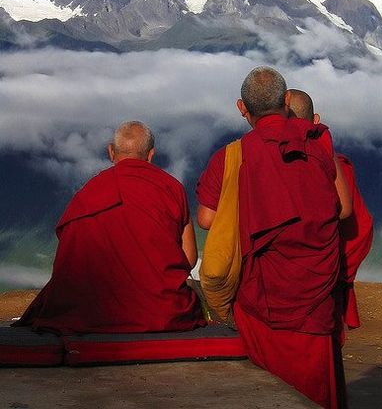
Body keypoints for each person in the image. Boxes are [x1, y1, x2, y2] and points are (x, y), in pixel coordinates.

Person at [197, 67, 347, 409]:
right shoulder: (317, 144)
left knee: (267, 393)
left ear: (241, 108)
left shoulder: (233, 156)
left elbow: (205, 218)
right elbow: (343, 208)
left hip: (262, 299)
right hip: (315, 299)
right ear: (287, 100)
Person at [16, 121, 204, 334]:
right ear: (151, 155)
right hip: (162, 312)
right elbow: (188, 258)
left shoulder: (88, 194)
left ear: (111, 152)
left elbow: (69, 261)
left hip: (88, 313)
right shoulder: (172, 188)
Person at [288, 89, 374, 341]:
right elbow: (360, 227)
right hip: (326, 275)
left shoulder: (260, 159)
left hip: (283, 279)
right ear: (315, 120)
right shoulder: (336, 165)